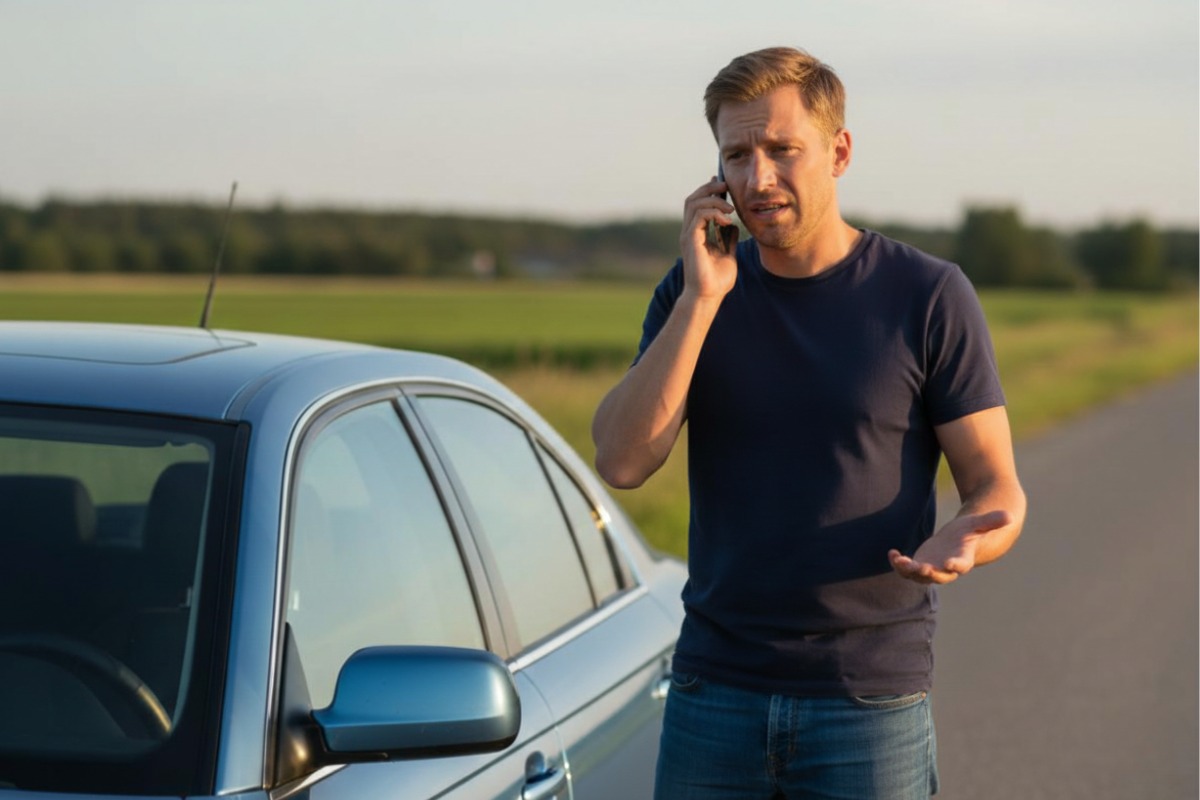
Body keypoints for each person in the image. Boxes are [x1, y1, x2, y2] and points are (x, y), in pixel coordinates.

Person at [591, 46, 1027, 799]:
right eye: (737, 154)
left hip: (868, 699)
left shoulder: (927, 295)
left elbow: (998, 491)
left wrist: (971, 538)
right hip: (713, 690)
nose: (757, 178)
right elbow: (623, 462)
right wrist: (702, 299)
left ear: (839, 151)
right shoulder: (692, 293)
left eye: (781, 150)